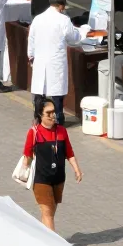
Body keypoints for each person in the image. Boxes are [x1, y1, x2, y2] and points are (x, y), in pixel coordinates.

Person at [21, 96, 81, 231]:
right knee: (48, 213)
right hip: (41, 179)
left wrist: (77, 170)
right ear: (40, 114)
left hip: (59, 178)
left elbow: (69, 153)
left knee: (50, 212)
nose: (53, 115)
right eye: (49, 113)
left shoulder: (62, 131)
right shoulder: (34, 132)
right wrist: (24, 169)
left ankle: (44, 239)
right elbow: (27, 153)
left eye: (54, 111)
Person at [28, 0, 83, 126]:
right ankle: (58, 119)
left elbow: (31, 38)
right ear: (61, 6)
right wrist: (82, 32)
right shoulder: (64, 20)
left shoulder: (38, 19)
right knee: (57, 93)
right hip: (55, 61)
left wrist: (31, 56)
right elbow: (73, 38)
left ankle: (38, 118)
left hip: (40, 60)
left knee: (40, 93)